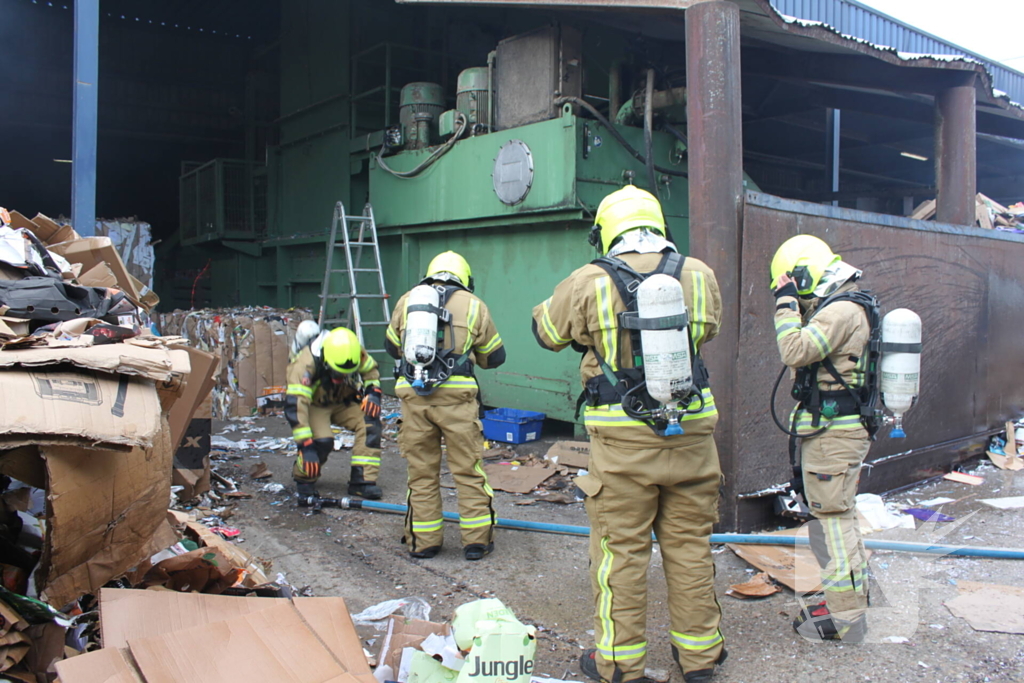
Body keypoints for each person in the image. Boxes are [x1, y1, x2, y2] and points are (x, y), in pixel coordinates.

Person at [532, 186, 726, 683]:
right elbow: (707, 333)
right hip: (692, 437)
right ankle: (700, 658)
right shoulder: (699, 273)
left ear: (606, 231)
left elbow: (547, 333)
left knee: (620, 556)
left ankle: (620, 666)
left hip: (623, 446)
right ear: (659, 225)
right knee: (690, 548)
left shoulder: (589, 279)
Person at [770, 234, 872, 642]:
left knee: (832, 522)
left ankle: (845, 617)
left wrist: (785, 306)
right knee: (840, 516)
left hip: (835, 435)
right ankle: (850, 601)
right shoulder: (851, 303)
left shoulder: (841, 310)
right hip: (837, 431)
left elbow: (794, 351)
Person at [385, 251, 506, 561]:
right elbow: (494, 357)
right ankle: (476, 542)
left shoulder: (407, 300)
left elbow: (392, 347)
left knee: (421, 473)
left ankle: (423, 542)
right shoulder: (475, 305)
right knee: (468, 471)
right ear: (465, 278)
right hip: (457, 402)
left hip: (415, 399)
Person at [285, 326, 384, 502]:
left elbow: (371, 371)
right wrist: (305, 445)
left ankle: (362, 482)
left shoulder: (353, 351)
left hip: (342, 400)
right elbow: (296, 406)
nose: (339, 378)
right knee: (321, 442)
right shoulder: (305, 365)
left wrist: (373, 392)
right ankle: (305, 478)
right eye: (336, 373)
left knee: (370, 424)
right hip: (315, 404)